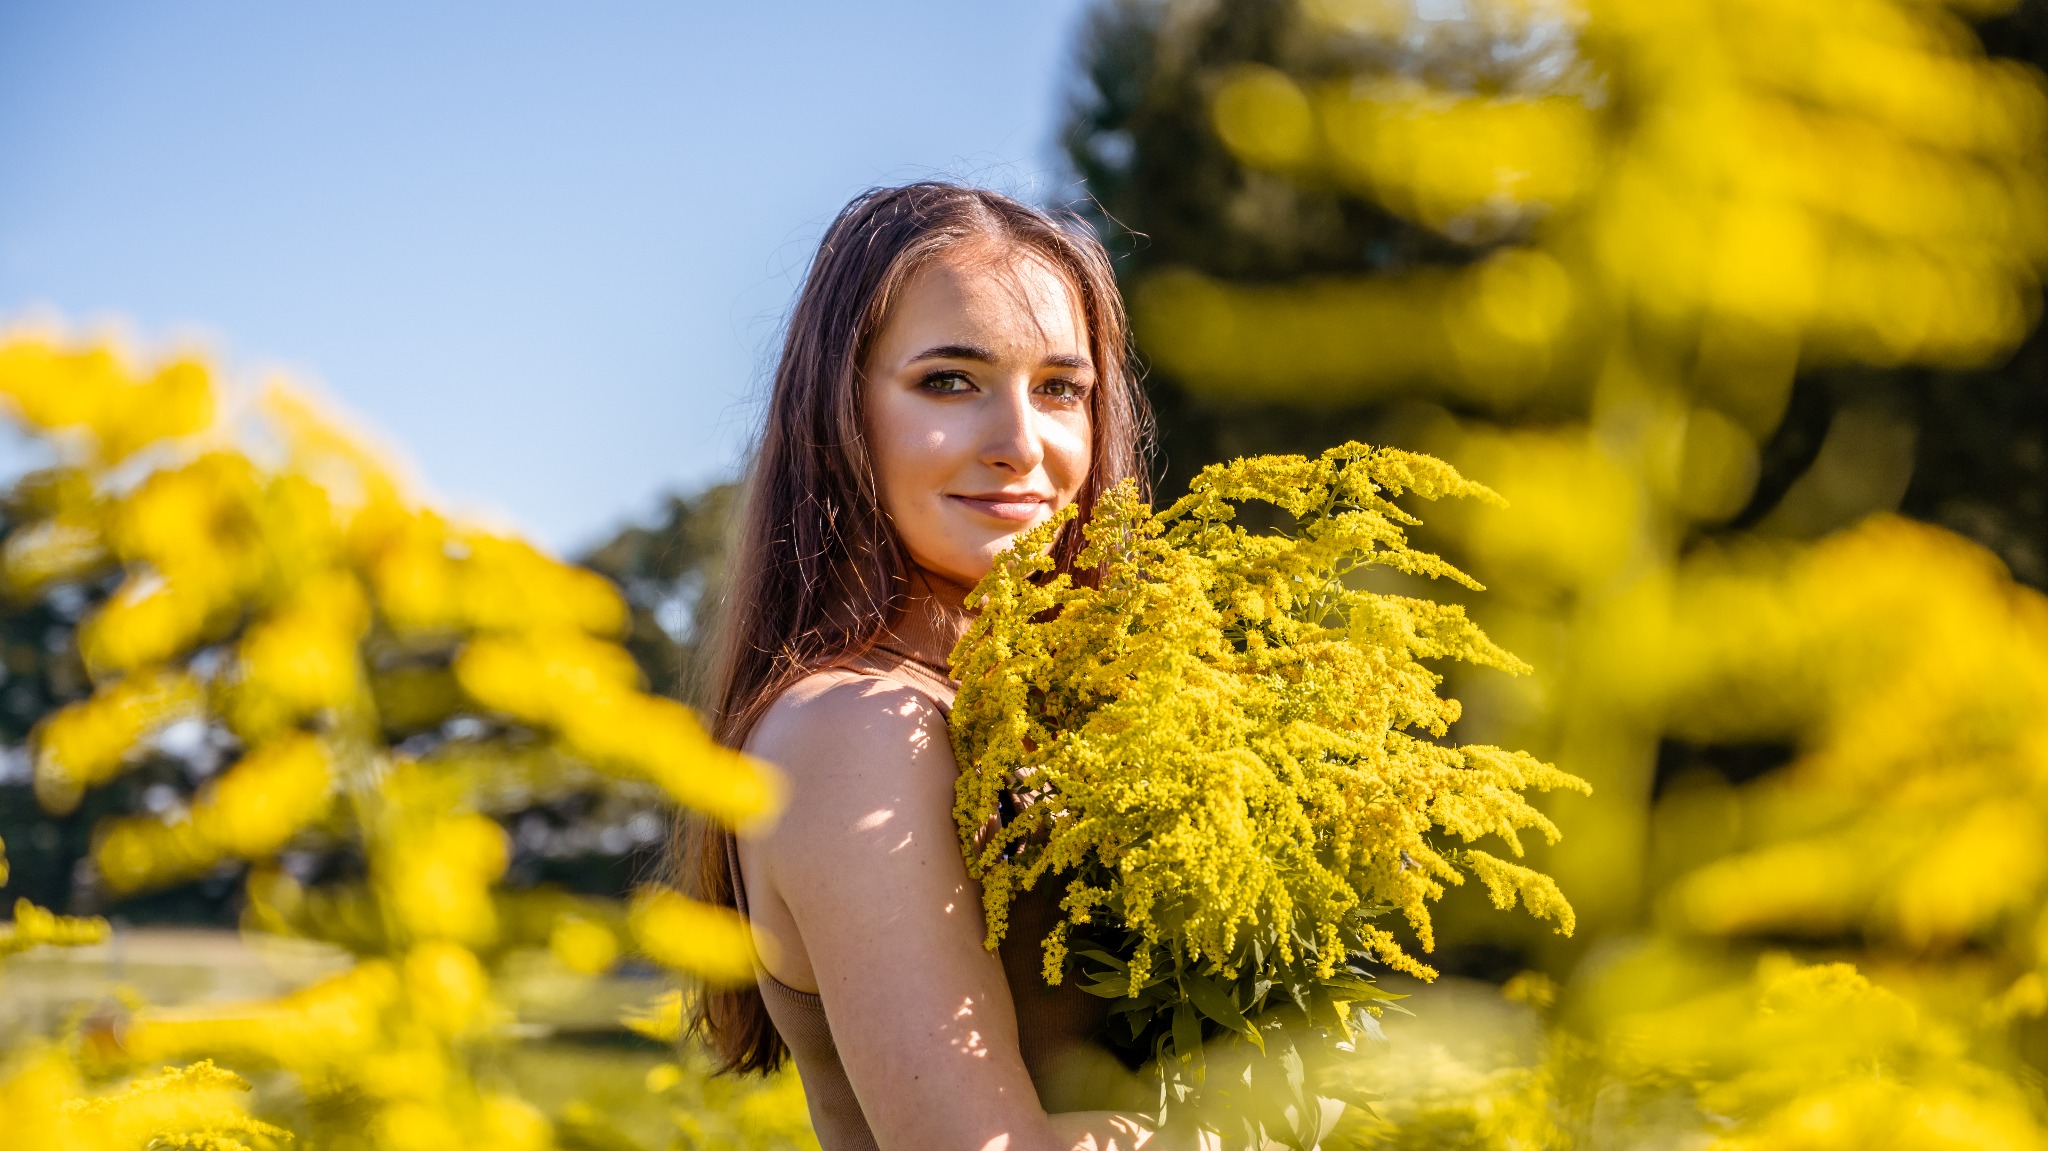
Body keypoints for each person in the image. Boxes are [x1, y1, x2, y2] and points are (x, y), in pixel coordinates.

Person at [684, 182, 1161, 1151]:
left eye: (1060, 388)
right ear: (839, 413)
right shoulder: (854, 730)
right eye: (949, 380)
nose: (1019, 445)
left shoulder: (1071, 710)